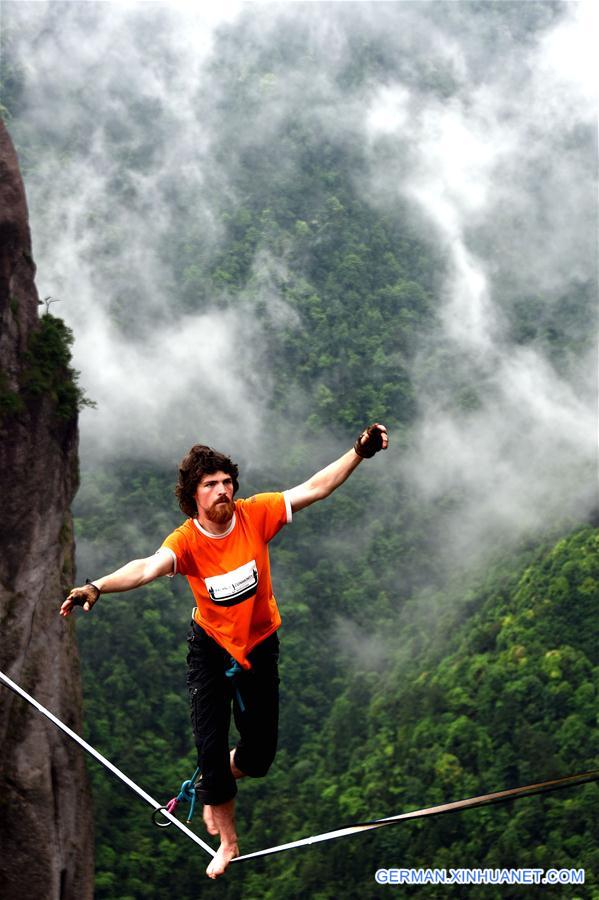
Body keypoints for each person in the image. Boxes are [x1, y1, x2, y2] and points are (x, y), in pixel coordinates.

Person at [61, 423, 388, 878]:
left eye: (226, 482)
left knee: (258, 758)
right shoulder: (187, 541)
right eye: (210, 484)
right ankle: (227, 837)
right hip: (210, 652)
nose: (222, 490)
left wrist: (358, 452)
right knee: (210, 750)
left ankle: (214, 780)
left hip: (259, 647)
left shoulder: (256, 514)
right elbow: (144, 568)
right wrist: (98, 586)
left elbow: (315, 488)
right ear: (193, 495)